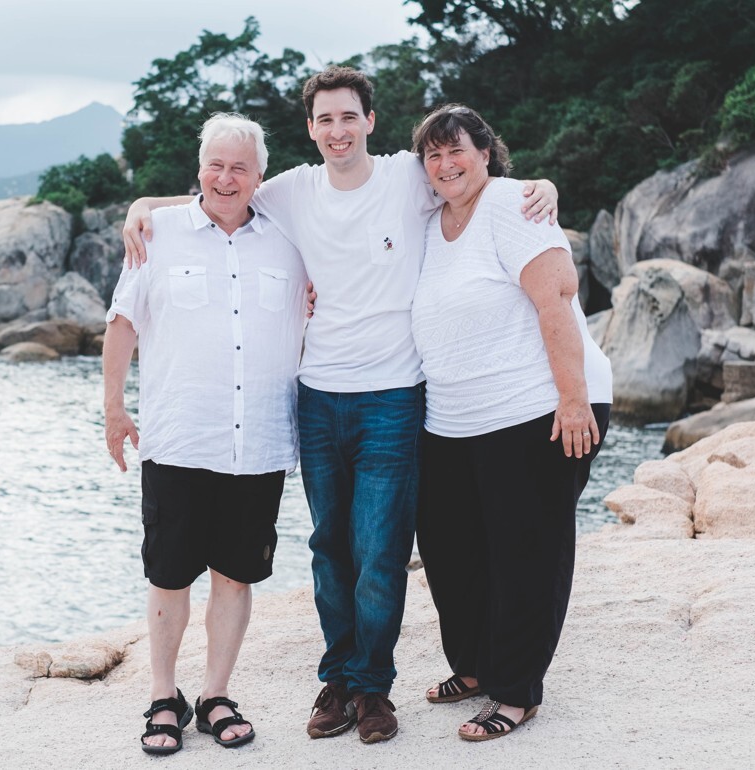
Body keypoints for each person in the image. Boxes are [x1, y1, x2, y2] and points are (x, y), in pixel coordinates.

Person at [123, 66, 558, 745]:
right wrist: (138, 208)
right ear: (311, 129)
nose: (337, 130)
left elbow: (469, 176)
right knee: (331, 550)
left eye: (348, 117)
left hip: (393, 395)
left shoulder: (406, 178)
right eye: (324, 119)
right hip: (318, 396)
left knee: (381, 552)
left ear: (370, 122)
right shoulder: (292, 189)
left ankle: (373, 687)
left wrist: (540, 186)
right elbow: (222, 190)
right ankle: (340, 679)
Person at [104, 113, 309, 755]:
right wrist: (113, 408)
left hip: (260, 440)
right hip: (179, 436)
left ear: (260, 175)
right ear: (198, 169)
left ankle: (216, 695)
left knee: (237, 576)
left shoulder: (287, 237)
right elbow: (122, 324)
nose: (226, 177)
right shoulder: (155, 232)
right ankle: (163, 697)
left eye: (240, 167)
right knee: (168, 575)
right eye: (215, 165)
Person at [408, 104, 613, 741]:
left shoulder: (510, 207)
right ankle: (473, 666)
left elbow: (556, 294)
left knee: (526, 550)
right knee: (449, 546)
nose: (445, 164)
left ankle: (517, 690)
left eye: (457, 150)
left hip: (537, 408)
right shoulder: (427, 219)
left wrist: (573, 401)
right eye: (433, 155)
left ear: (487, 152)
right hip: (452, 417)